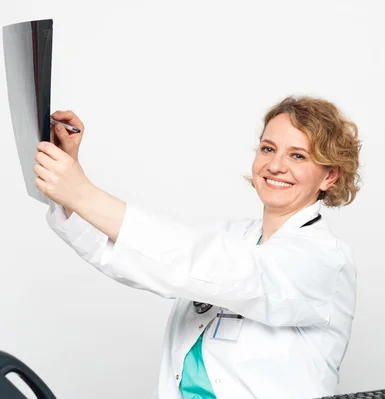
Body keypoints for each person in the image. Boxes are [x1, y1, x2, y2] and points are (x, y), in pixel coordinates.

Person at [34, 95, 362, 399]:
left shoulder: (324, 260)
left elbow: (208, 267)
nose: (275, 165)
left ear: (329, 176)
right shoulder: (232, 236)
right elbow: (138, 259)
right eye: (267, 148)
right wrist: (68, 189)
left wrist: (82, 192)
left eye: (298, 155)